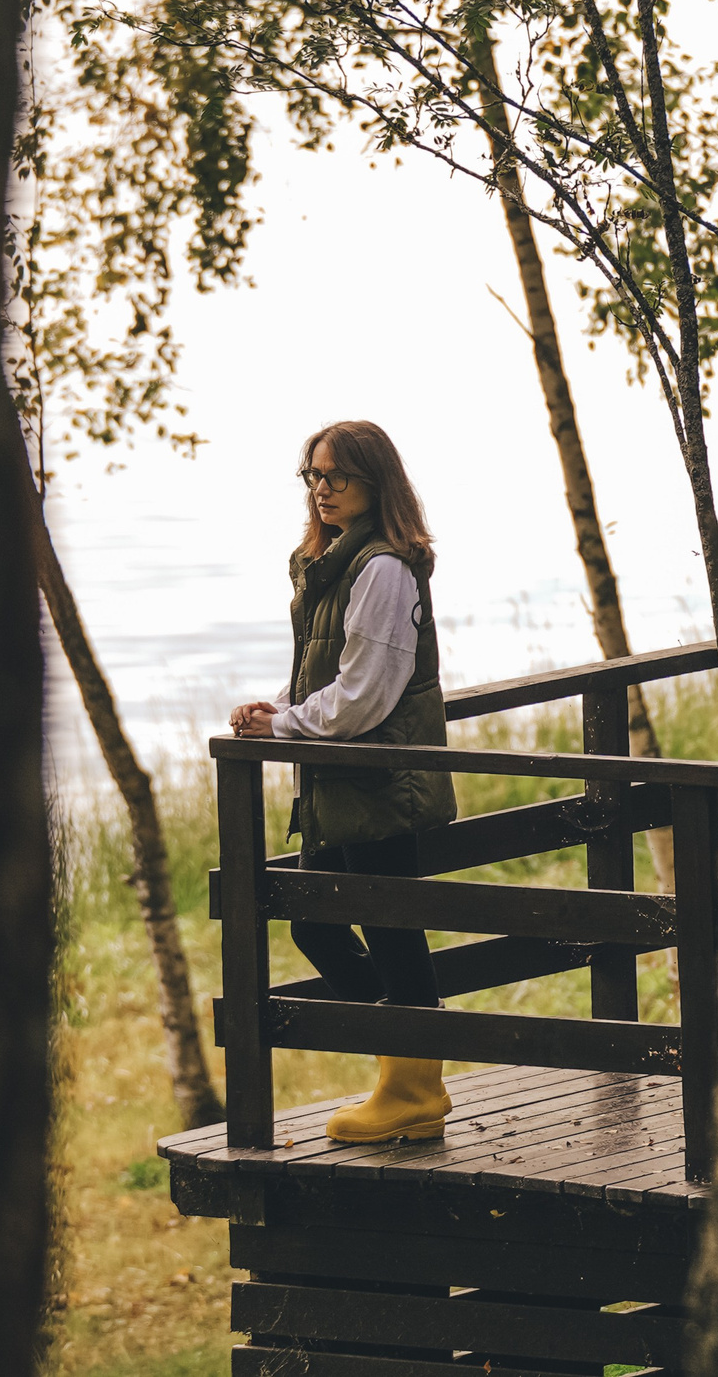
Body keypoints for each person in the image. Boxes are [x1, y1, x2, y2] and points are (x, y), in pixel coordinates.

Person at [229, 420, 458, 1144]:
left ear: (375, 481)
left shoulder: (383, 567)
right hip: (343, 780)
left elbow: (365, 696)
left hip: (380, 781)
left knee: (392, 934)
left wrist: (288, 728)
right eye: (313, 475)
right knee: (316, 922)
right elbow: (337, 676)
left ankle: (413, 1086)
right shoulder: (331, 560)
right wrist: (281, 709)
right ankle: (411, 1071)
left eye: (338, 477)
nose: (322, 489)